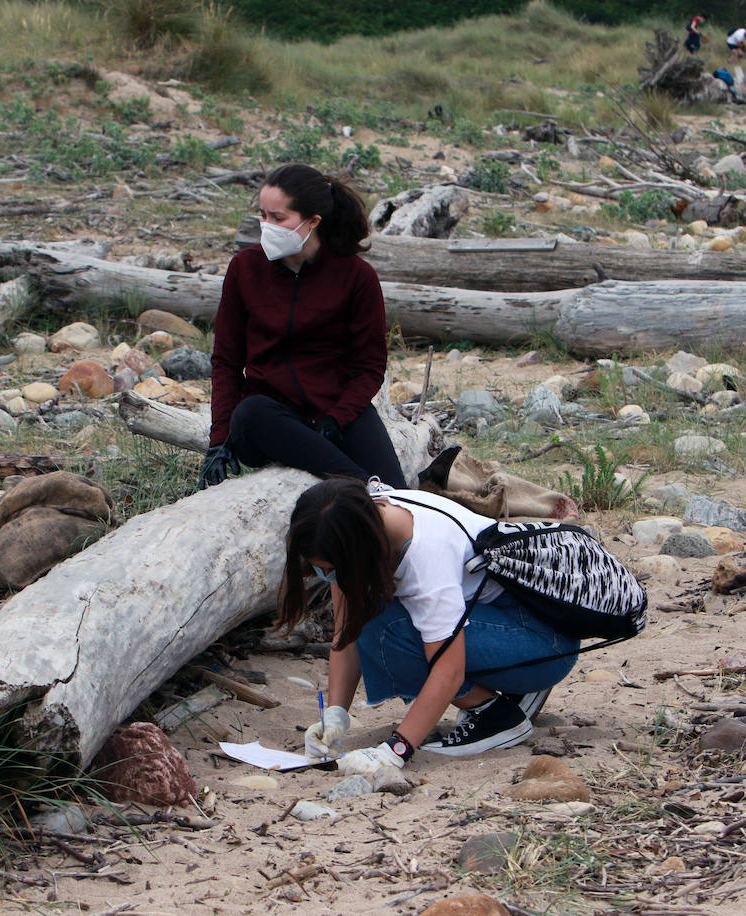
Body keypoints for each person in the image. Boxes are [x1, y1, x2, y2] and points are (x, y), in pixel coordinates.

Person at [278, 478, 579, 775]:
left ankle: (497, 716)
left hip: (544, 644)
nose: (324, 575)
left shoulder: (425, 554)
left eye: (330, 569)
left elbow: (449, 671)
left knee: (386, 634)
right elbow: (346, 632)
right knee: (372, 620)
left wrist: (396, 750)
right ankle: (514, 692)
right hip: (509, 624)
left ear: (355, 554)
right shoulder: (364, 522)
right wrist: (335, 717)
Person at [198, 163, 405, 491]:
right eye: (263, 215)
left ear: (313, 221)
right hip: (269, 418)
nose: (267, 226)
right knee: (251, 413)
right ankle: (368, 488)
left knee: (402, 496)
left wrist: (336, 419)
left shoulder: (356, 277)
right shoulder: (245, 268)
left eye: (278, 218)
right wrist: (219, 440)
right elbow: (226, 360)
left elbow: (369, 367)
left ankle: (387, 496)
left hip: (335, 412)